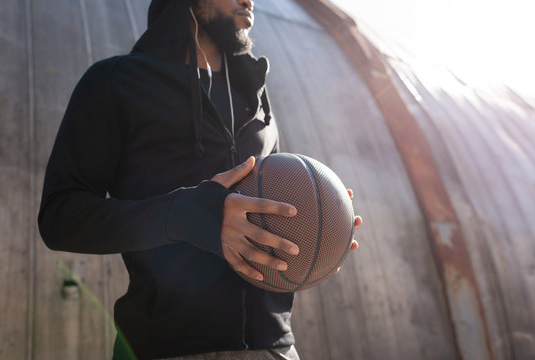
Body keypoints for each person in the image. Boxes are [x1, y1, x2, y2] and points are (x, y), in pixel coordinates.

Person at [37, 0, 362, 359]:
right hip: (167, 348)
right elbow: (60, 217)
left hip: (275, 347)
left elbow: (266, 208)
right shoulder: (116, 83)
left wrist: (321, 230)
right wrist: (185, 214)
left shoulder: (254, 95)